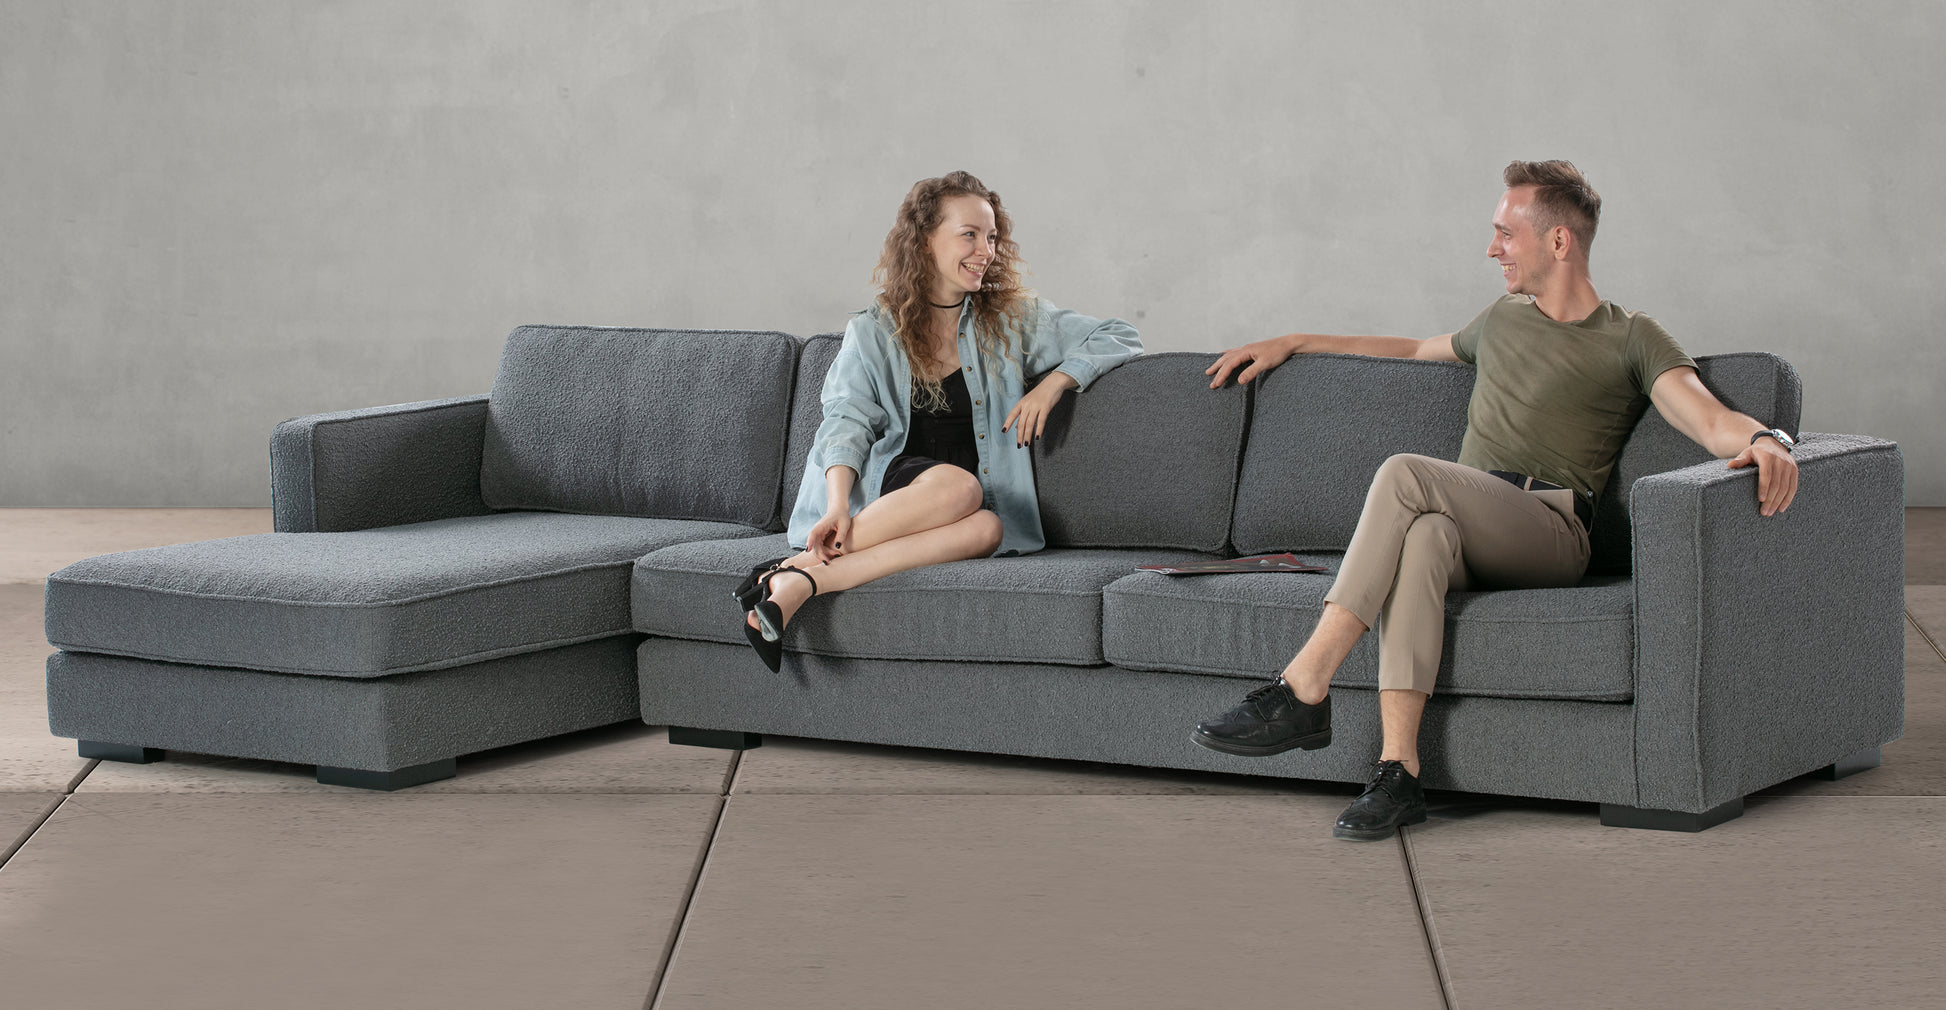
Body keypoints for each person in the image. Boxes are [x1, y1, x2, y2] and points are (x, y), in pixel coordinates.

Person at [1193, 160, 1800, 840]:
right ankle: (1399, 773)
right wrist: (1295, 340)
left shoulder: (1631, 337)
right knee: (1420, 539)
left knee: (1403, 474)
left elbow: (1708, 417)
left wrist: (1768, 439)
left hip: (1551, 528)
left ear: (1559, 242)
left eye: (1506, 234)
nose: (1492, 249)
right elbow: (1412, 349)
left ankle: (1304, 685)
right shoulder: (1503, 320)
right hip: (1469, 525)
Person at [737, 171, 1143, 671]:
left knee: (990, 527)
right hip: (889, 493)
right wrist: (838, 504)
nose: (985, 250)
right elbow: (846, 422)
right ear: (925, 239)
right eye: (969, 234)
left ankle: (796, 579)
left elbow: (1118, 335)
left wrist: (1054, 383)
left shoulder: (1011, 319)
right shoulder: (873, 331)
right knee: (959, 487)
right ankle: (796, 565)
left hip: (963, 506)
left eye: (992, 236)